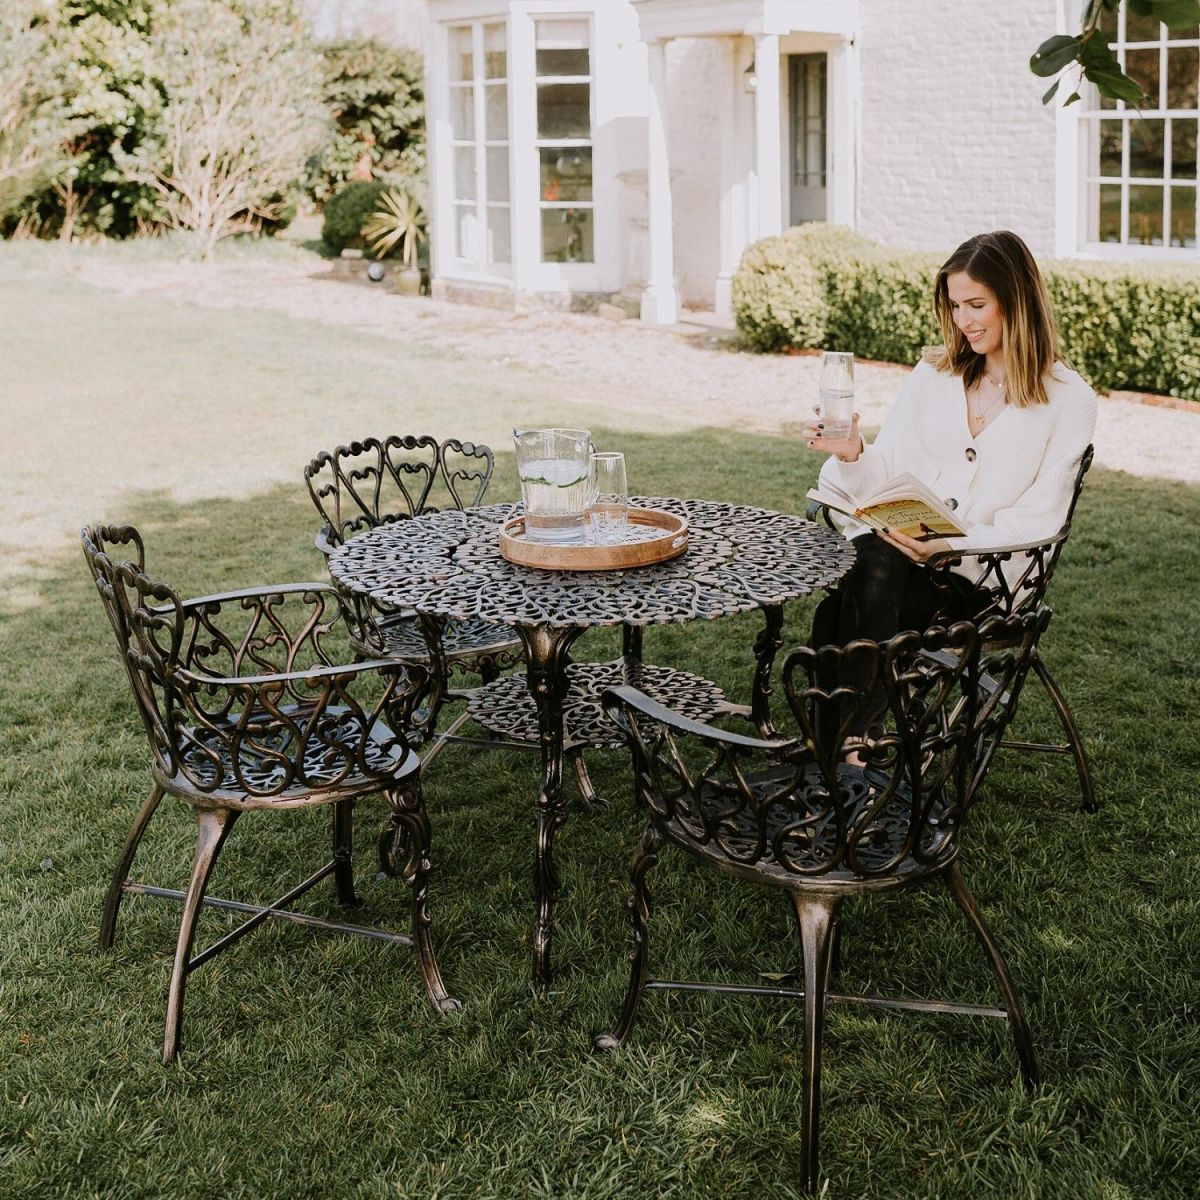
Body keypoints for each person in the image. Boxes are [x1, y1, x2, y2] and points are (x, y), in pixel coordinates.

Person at [806, 229, 1097, 754]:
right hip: (900, 559)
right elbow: (888, 471)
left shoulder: (1068, 399)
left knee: (843, 603)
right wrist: (853, 453)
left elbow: (1042, 519)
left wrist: (951, 545)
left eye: (976, 304)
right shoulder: (934, 373)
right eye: (955, 304)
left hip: (980, 580)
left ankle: (837, 751)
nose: (963, 320)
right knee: (870, 563)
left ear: (1017, 300)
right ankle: (850, 752)